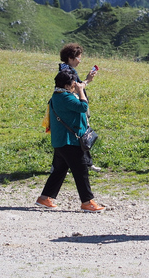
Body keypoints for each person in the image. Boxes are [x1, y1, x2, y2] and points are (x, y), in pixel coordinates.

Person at [36, 70, 105, 212]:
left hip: (61, 140)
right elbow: (83, 107)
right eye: (74, 83)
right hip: (70, 141)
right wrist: (81, 92)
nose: (76, 85)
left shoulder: (57, 95)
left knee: (59, 170)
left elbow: (80, 88)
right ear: (69, 85)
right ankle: (87, 202)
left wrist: (87, 81)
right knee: (81, 171)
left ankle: (45, 198)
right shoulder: (66, 97)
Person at [59, 43, 100, 172]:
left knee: (80, 132)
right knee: (82, 132)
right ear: (71, 57)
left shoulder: (65, 70)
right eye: (78, 58)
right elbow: (75, 89)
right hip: (75, 105)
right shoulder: (67, 72)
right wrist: (87, 80)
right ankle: (86, 163)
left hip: (72, 104)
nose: (79, 61)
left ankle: (61, 166)